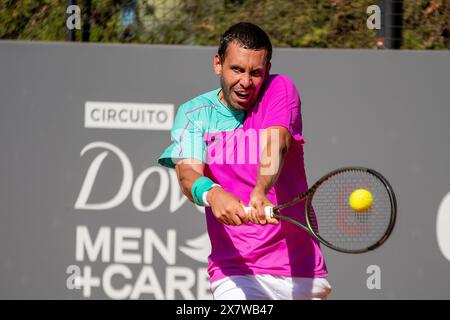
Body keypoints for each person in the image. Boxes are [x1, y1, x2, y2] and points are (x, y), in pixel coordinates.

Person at [158, 22, 331, 300]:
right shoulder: (193, 114)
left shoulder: (280, 89)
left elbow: (277, 144)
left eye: (256, 72)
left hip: (300, 272)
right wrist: (213, 194)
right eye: (237, 69)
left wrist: (261, 190)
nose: (246, 82)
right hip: (235, 273)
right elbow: (187, 174)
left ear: (267, 70)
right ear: (218, 64)